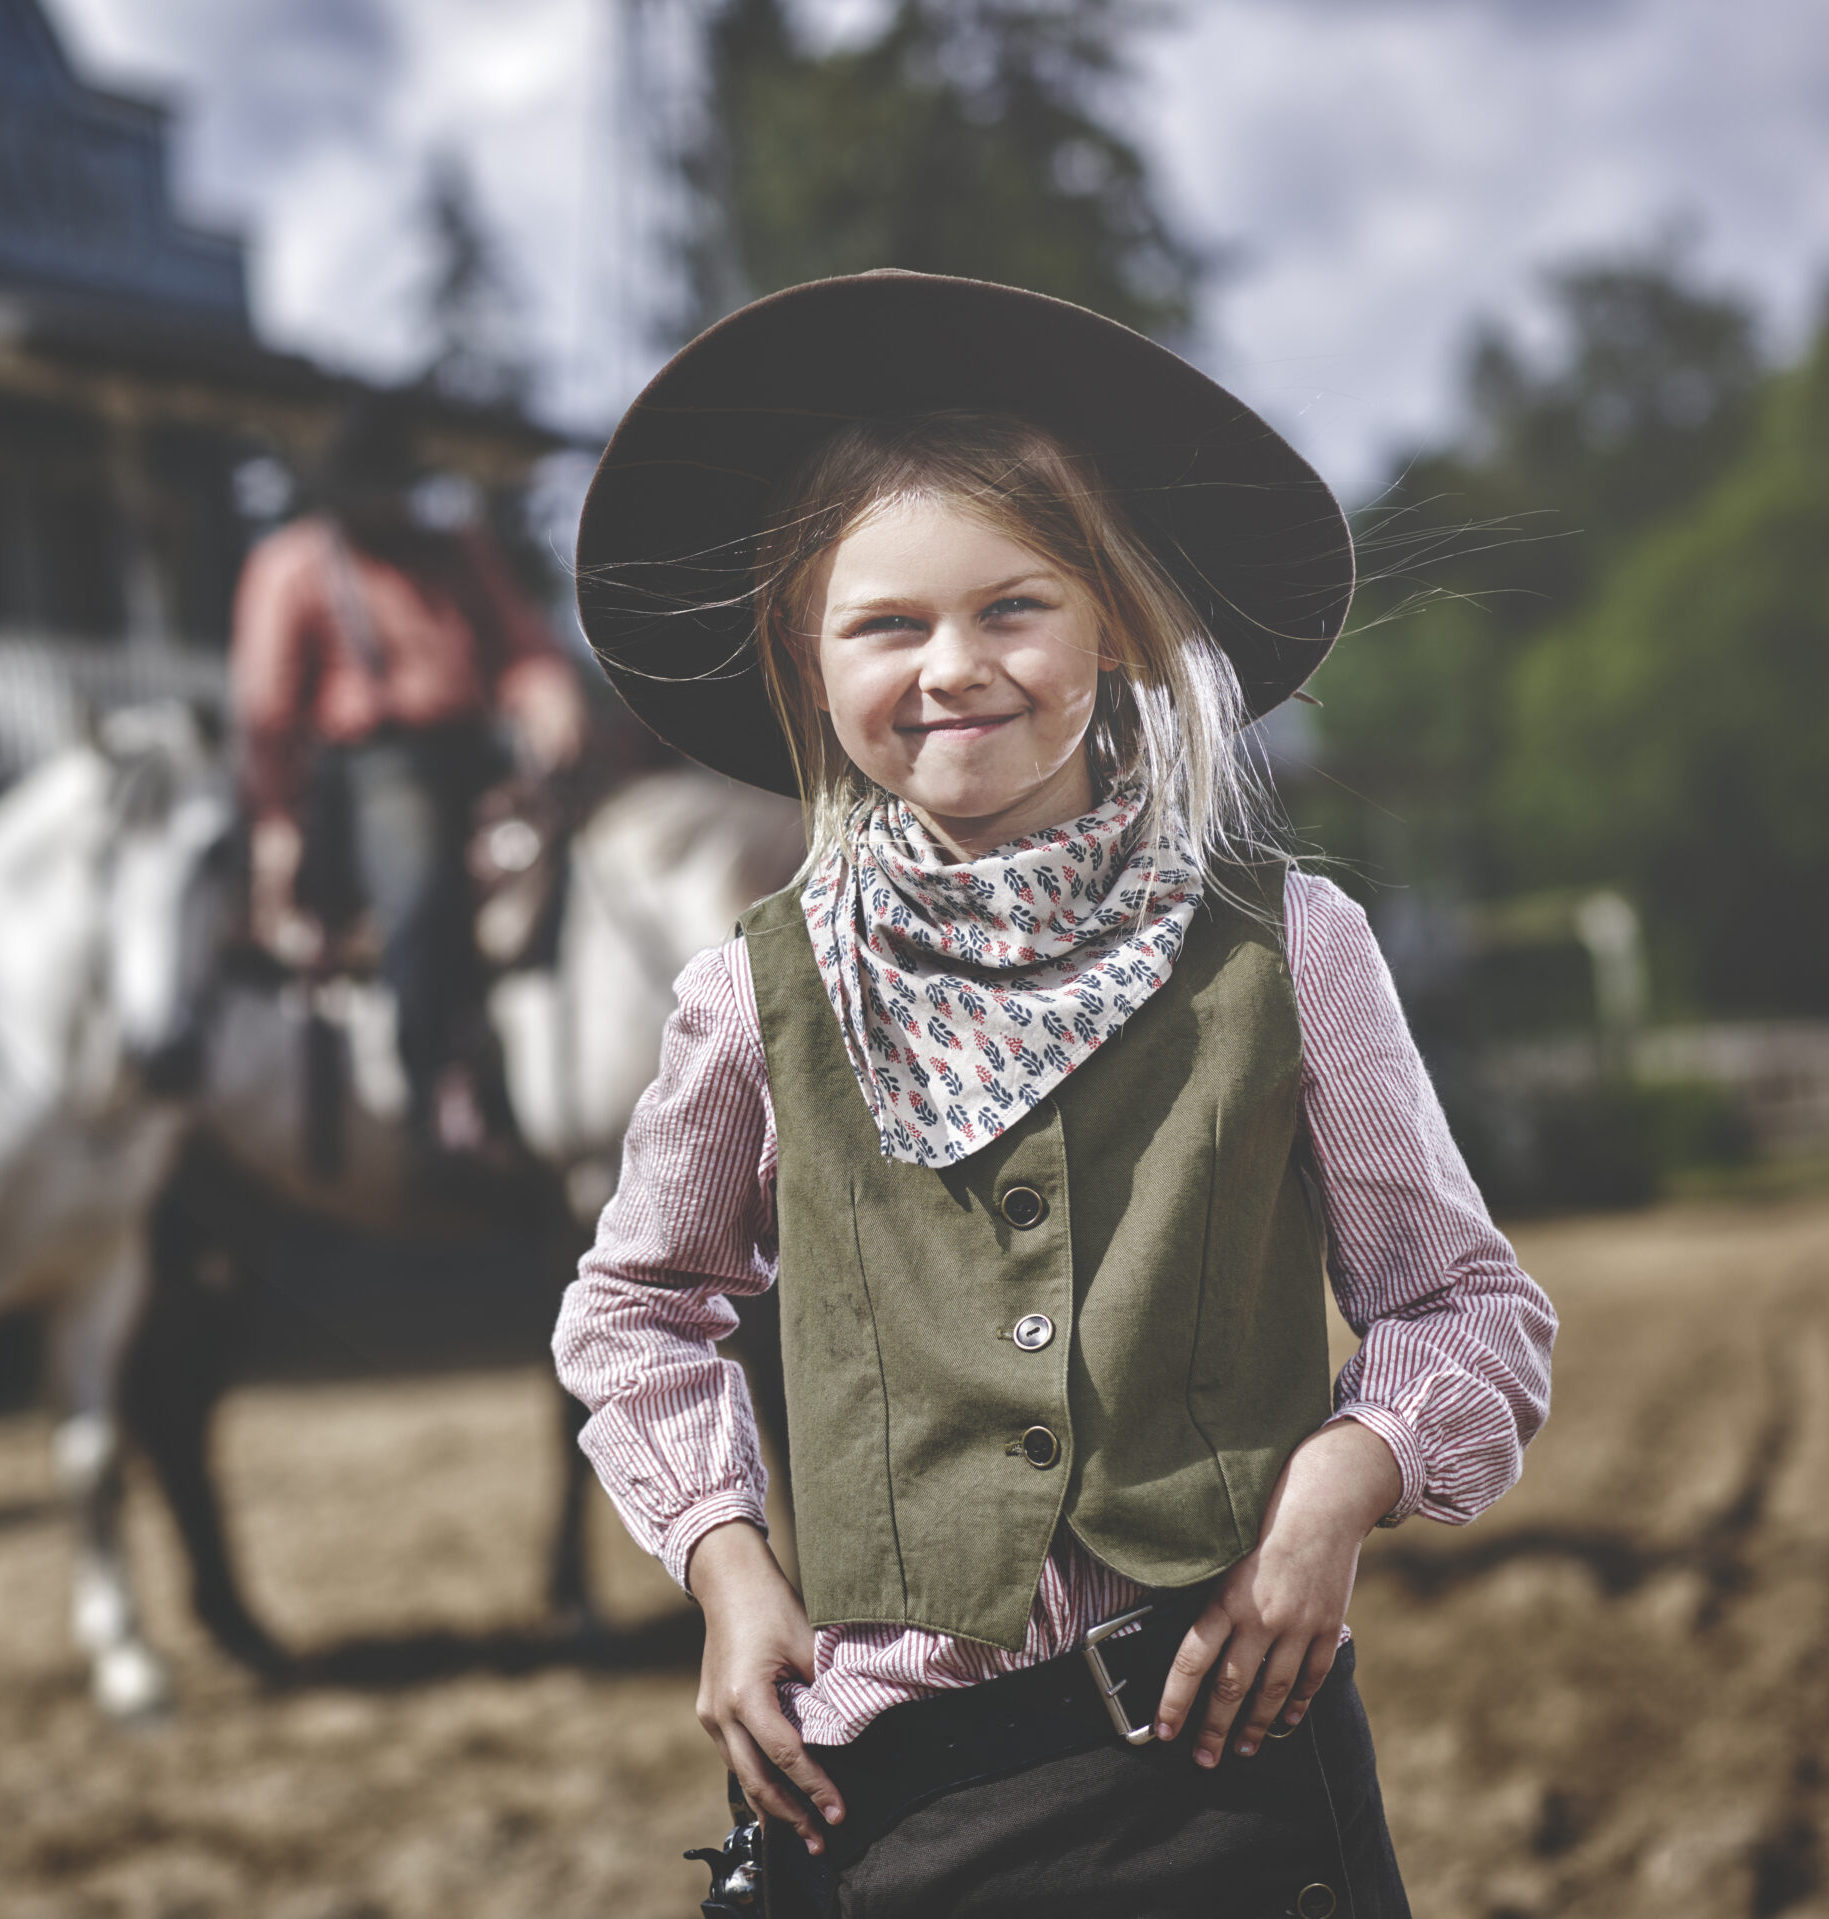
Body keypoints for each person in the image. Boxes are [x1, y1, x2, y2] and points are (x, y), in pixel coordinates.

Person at [552, 274, 1556, 1916]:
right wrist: (729, 1567)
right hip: (893, 1803)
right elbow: (638, 1312)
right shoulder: (754, 990)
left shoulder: (1294, 948)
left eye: (1013, 606)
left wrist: (1332, 1492)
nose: (955, 668)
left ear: (1115, 624)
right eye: (887, 623)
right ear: (808, 662)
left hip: (1240, 1770)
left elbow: (1466, 1308)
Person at [229, 394, 585, 1161]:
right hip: (372, 768)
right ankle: (436, 1090)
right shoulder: (294, 565)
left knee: (598, 842)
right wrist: (276, 825)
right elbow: (267, 713)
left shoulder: (457, 550)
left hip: (474, 749)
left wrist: (548, 700)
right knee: (422, 889)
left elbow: (522, 647)